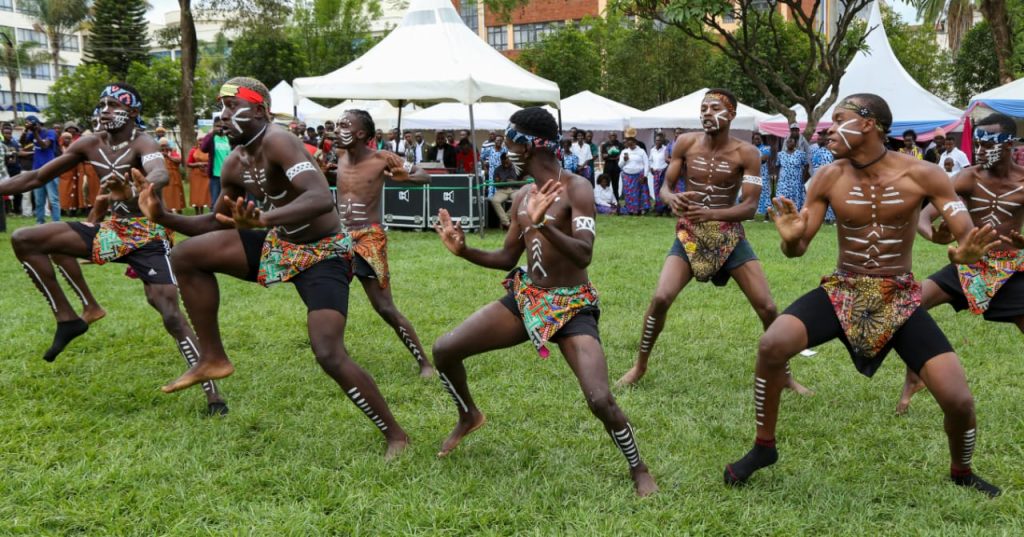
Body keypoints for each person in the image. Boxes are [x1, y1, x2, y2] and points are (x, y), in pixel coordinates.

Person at [723, 93, 1001, 497]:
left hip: (899, 295)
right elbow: (798, 247)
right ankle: (764, 447)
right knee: (772, 344)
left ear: (870, 124)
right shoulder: (827, 177)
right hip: (844, 290)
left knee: (958, 400)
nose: (829, 129)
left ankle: (962, 470)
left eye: (840, 119)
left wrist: (963, 253)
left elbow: (963, 234)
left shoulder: (924, 174)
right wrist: (788, 239)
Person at [139, 78, 409, 457]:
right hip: (279, 245)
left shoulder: (279, 139)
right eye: (222, 108)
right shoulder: (233, 162)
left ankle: (396, 434)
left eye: (233, 107)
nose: (224, 116)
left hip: (322, 253)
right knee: (185, 256)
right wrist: (163, 216)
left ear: (262, 111)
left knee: (328, 352)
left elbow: (319, 199)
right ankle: (213, 357)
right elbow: (217, 221)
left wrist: (264, 219)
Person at [431, 106, 658, 497]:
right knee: (445, 349)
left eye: (508, 143)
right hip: (528, 298)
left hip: (572, 306)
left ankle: (638, 468)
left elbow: (583, 254)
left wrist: (542, 224)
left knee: (600, 398)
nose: (504, 151)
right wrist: (463, 251)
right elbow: (506, 258)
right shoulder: (522, 194)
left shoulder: (577, 189)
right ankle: (468, 414)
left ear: (531, 145)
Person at [0, 83, 227, 414]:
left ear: (132, 112)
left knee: (169, 313)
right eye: (101, 104)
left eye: (111, 104)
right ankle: (69, 317)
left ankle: (213, 394)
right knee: (25, 238)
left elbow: (160, 172)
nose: (103, 110)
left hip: (149, 233)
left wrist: (142, 186)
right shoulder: (89, 143)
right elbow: (35, 177)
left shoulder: (143, 141)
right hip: (113, 230)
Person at [615, 89, 809, 395]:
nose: (707, 112)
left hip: (728, 236)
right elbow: (665, 187)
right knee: (661, 298)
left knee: (768, 307)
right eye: (703, 107)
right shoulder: (686, 143)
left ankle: (784, 375)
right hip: (690, 235)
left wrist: (711, 212)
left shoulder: (747, 154)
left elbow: (748, 206)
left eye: (714, 107)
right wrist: (672, 198)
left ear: (731, 114)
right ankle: (640, 365)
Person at [896, 113, 1024, 414]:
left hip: (1009, 268)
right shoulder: (968, 177)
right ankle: (914, 376)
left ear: (1009, 146)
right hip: (967, 265)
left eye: (987, 144)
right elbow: (924, 217)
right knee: (906, 307)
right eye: (976, 143)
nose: (979, 151)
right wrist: (935, 237)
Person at [334, 109, 434, 377]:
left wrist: (407, 178)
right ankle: (333, 353)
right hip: (339, 237)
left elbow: (426, 176)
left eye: (344, 124)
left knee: (384, 307)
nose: (337, 128)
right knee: (327, 297)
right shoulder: (340, 155)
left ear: (361, 134)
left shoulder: (383, 159)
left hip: (368, 237)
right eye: (337, 123)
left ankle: (424, 362)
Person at [20, 116, 60, 224]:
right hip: (36, 171)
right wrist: (25, 130)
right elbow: (22, 143)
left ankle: (56, 223)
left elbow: (44, 146)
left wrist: (35, 132)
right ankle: (40, 223)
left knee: (53, 199)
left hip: (50, 170)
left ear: (38, 124)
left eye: (33, 124)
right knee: (39, 201)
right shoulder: (31, 133)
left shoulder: (50, 132)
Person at [200, 117, 230, 208]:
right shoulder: (212, 138)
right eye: (218, 126)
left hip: (228, 176)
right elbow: (203, 148)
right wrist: (212, 133)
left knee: (227, 200)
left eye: (223, 126)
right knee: (215, 201)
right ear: (213, 126)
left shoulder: (228, 138)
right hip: (216, 175)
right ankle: (213, 219)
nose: (220, 128)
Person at [618, 134, 650, 215]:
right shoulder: (624, 152)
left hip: (639, 175)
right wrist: (624, 160)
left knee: (639, 194)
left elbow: (646, 164)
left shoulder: (641, 151)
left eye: (632, 143)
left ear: (635, 142)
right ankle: (630, 210)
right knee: (629, 194)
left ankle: (639, 210)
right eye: (629, 144)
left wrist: (645, 175)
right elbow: (620, 165)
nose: (630, 145)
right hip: (628, 176)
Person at [776, 136, 809, 210]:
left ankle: (795, 215)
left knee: (795, 200)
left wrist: (803, 177)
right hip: (783, 182)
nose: (789, 143)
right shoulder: (780, 154)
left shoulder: (801, 154)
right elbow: (777, 166)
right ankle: (782, 215)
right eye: (787, 141)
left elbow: (806, 165)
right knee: (782, 198)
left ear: (795, 144)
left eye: (791, 141)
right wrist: (778, 178)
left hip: (796, 182)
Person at [489, 153, 518, 229]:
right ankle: (507, 223)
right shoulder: (497, 170)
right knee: (495, 200)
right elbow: (496, 184)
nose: (507, 161)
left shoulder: (516, 168)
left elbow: (518, 181)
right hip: (502, 190)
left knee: (519, 200)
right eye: (504, 160)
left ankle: (505, 220)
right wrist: (505, 181)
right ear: (501, 161)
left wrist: (506, 181)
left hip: (513, 189)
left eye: (508, 159)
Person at [159, 139, 186, 213]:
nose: (164, 148)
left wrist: (168, 156)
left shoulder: (172, 153)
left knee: (177, 196)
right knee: (167, 196)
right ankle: (167, 211)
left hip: (175, 178)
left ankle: (179, 212)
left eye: (166, 145)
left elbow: (178, 160)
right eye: (162, 146)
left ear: (168, 146)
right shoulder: (157, 154)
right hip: (164, 178)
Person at [187, 134, 211, 214]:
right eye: (200, 140)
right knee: (196, 194)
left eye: (203, 140)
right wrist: (198, 164)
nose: (201, 142)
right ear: (197, 141)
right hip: (196, 175)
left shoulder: (209, 150)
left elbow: (212, 161)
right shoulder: (193, 150)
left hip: (206, 174)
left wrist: (207, 165)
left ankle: (203, 212)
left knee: (204, 194)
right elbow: (188, 164)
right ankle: (197, 212)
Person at [752, 132, 773, 218]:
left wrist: (751, 160)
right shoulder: (751, 149)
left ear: (761, 139)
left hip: (763, 175)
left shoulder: (766, 148)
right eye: (755, 139)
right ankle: (752, 214)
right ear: (752, 140)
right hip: (753, 175)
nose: (757, 140)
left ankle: (767, 215)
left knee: (765, 193)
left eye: (758, 138)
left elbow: (764, 159)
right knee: (753, 194)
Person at [650, 133, 671, 216]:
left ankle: (667, 209)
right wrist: (651, 167)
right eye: (656, 140)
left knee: (665, 191)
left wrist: (666, 169)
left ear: (662, 141)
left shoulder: (666, 149)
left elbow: (668, 160)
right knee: (657, 192)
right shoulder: (652, 150)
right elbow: (650, 160)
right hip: (655, 173)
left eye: (659, 140)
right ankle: (659, 210)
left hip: (664, 172)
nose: (657, 141)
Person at [601, 133, 623, 199]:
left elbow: (621, 155)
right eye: (611, 135)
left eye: (614, 135)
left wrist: (608, 155)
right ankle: (606, 199)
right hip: (607, 167)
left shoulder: (620, 144)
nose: (613, 136)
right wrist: (613, 156)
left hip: (616, 167)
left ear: (616, 136)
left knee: (615, 185)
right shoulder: (605, 145)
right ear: (609, 136)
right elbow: (603, 156)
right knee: (606, 184)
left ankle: (616, 201)